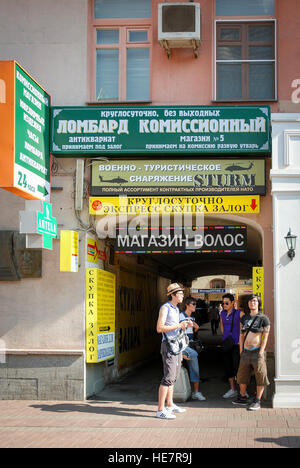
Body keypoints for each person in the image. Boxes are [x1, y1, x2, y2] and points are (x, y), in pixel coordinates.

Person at [156, 283, 193, 419]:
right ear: (172, 295)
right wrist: (179, 325)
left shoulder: (176, 309)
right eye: (180, 293)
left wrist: (184, 326)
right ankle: (160, 409)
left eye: (182, 293)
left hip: (176, 346)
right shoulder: (165, 308)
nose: (182, 295)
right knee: (168, 378)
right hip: (168, 346)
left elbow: (175, 328)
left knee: (174, 377)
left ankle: (170, 405)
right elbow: (159, 328)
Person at [233, 294, 270, 410]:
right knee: (242, 376)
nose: (252, 303)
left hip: (257, 351)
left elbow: (265, 336)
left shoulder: (264, 318)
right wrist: (241, 350)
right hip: (245, 352)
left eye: (254, 301)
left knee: (260, 376)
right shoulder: (244, 318)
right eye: (250, 301)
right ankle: (243, 397)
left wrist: (261, 352)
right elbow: (241, 335)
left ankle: (257, 401)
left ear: (258, 303)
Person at [179, 297, 206, 401]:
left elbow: (191, 334)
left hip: (189, 344)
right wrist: (186, 326)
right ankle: (193, 392)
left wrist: (196, 328)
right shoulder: (180, 316)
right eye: (193, 304)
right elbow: (176, 331)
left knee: (194, 366)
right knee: (194, 357)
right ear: (187, 304)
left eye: (195, 304)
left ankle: (195, 391)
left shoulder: (192, 318)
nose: (195, 306)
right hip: (182, 345)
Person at [220, 293, 243, 399]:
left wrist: (240, 341)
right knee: (228, 367)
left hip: (236, 345)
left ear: (233, 302)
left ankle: (243, 391)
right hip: (226, 344)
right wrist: (225, 338)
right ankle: (233, 389)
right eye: (223, 303)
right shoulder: (222, 314)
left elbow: (244, 327)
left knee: (237, 368)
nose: (224, 304)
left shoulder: (239, 313)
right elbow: (222, 328)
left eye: (226, 303)